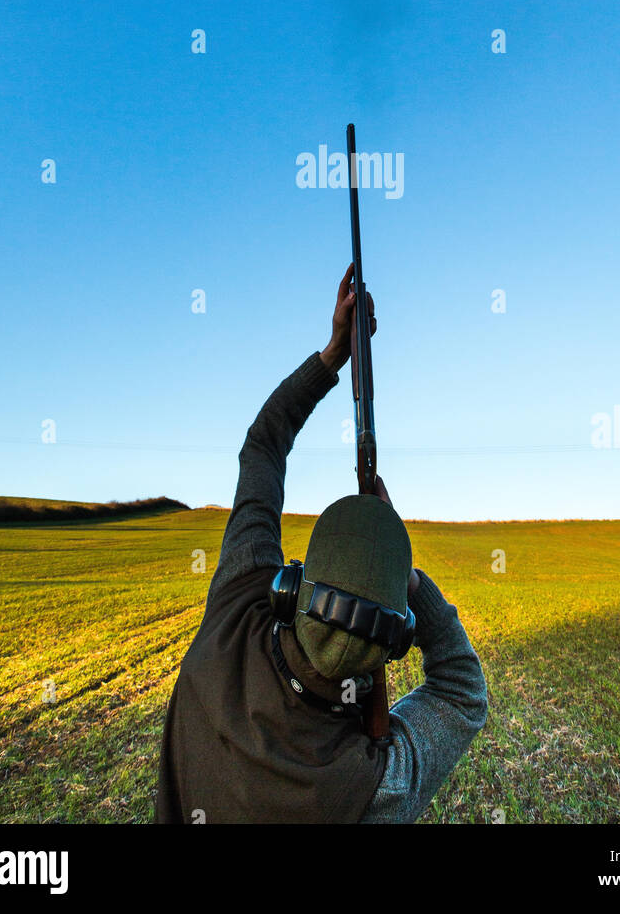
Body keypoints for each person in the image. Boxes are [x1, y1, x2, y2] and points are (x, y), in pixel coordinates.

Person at [154, 265, 488, 823]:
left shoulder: (237, 605)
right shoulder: (372, 789)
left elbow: (263, 446)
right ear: (394, 639)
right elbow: (461, 693)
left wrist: (333, 354)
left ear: (289, 587)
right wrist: (404, 573)